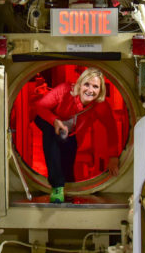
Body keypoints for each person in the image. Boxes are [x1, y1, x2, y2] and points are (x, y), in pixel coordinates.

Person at [33, 67, 120, 203]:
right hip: (47, 119)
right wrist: (54, 121)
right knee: (51, 134)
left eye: (95, 87)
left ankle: (67, 198)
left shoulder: (100, 106)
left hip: (71, 133)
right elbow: (40, 107)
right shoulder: (64, 90)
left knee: (68, 165)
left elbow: (111, 128)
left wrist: (113, 156)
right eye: (86, 84)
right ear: (79, 85)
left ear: (100, 90)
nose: (90, 90)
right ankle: (57, 186)